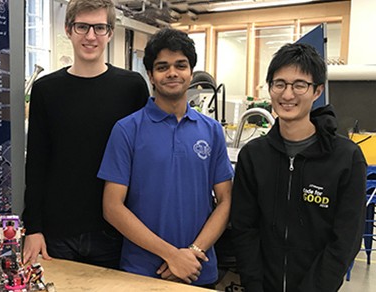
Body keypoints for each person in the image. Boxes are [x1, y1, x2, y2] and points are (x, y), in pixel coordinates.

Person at [98, 28, 233, 288]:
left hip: (198, 270)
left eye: (180, 65)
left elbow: (226, 201)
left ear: (191, 72)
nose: (172, 73)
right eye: (162, 66)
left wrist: (190, 255)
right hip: (142, 272)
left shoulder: (212, 130)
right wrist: (172, 256)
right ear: (150, 75)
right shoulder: (127, 130)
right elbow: (112, 207)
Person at [22, 0, 149, 269]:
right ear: (68, 30)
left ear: (110, 32)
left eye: (99, 27)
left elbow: (143, 162)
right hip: (57, 233)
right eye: (82, 27)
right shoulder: (46, 90)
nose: (90, 36)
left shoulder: (132, 87)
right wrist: (33, 228)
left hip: (114, 231)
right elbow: (36, 164)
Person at [230, 43, 367, 292]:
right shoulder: (253, 156)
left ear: (317, 91)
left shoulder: (346, 158)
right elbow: (244, 229)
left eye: (299, 85)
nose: (288, 95)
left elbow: (346, 240)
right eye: (279, 84)